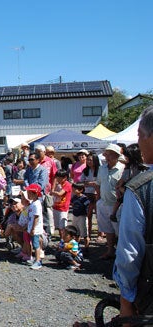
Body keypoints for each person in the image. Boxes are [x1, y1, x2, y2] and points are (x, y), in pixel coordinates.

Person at [114, 105, 153, 320]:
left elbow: (129, 254)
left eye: (139, 136)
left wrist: (126, 302)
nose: (137, 143)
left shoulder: (140, 188)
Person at [96, 143, 124, 259]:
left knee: (119, 229)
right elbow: (98, 184)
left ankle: (121, 252)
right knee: (107, 228)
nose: (108, 157)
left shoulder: (122, 168)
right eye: (107, 154)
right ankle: (110, 250)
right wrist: (99, 199)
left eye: (110, 155)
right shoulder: (101, 168)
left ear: (117, 156)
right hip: (103, 202)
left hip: (117, 204)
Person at [80, 153, 100, 240]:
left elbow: (100, 183)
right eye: (88, 160)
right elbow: (81, 182)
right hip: (88, 194)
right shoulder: (85, 170)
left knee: (99, 215)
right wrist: (91, 184)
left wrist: (90, 184)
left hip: (98, 194)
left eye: (90, 160)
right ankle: (88, 233)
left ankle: (100, 234)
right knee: (88, 215)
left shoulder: (100, 170)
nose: (88, 161)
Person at [26, 183, 44, 270]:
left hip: (35, 228)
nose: (28, 195)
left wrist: (33, 228)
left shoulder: (37, 204)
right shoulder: (33, 203)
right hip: (32, 227)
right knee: (35, 242)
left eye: (29, 193)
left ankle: (38, 261)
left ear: (35, 194)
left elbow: (36, 217)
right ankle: (37, 259)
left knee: (36, 244)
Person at [51, 169, 72, 239]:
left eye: (60, 177)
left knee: (63, 226)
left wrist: (53, 192)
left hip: (63, 208)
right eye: (57, 177)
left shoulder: (67, 185)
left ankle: (64, 240)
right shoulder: (58, 184)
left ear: (65, 177)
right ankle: (61, 240)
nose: (58, 179)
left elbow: (60, 194)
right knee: (58, 227)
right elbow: (52, 191)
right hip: (56, 207)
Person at [70, 183, 90, 251]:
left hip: (82, 216)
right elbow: (72, 204)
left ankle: (86, 248)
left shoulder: (84, 198)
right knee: (76, 233)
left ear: (81, 190)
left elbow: (88, 207)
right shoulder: (74, 197)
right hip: (75, 216)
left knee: (84, 234)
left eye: (75, 189)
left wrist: (87, 214)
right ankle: (76, 247)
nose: (73, 190)